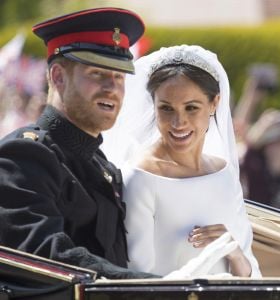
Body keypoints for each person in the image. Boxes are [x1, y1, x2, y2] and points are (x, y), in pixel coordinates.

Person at [0, 7, 160, 279]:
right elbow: (49, 259)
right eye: (98, 73)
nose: (112, 88)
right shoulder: (23, 156)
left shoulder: (102, 166)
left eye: (119, 77)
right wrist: (155, 287)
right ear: (58, 77)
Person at [103, 45, 261, 277]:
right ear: (153, 106)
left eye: (191, 108)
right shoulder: (139, 177)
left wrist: (234, 253)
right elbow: (139, 279)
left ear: (214, 103)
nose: (179, 123)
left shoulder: (224, 173)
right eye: (166, 108)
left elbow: (249, 271)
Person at [240, 109, 280, 214]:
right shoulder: (255, 169)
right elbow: (251, 145)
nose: (278, 148)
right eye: (272, 143)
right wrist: (266, 124)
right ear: (264, 148)